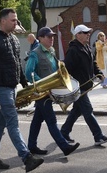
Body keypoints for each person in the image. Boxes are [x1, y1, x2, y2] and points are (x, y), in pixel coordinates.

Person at [0, 8, 43, 172]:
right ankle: (26, 157)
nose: (16, 23)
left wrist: (24, 83)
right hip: (0, 88)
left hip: (10, 87)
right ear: (3, 21)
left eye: (16, 20)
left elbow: (16, 64)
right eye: (13, 20)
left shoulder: (14, 39)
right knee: (12, 123)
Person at [25, 27, 80, 157]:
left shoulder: (51, 51)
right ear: (40, 38)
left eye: (53, 36)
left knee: (37, 120)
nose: (52, 39)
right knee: (51, 120)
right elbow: (29, 73)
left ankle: (31, 146)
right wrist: (43, 85)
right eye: (49, 37)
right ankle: (64, 146)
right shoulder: (35, 53)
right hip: (42, 93)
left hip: (50, 92)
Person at [60, 24, 107, 147]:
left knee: (77, 111)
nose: (88, 34)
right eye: (85, 32)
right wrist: (72, 86)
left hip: (85, 85)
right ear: (78, 35)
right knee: (88, 110)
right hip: (78, 86)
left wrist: (99, 73)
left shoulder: (87, 47)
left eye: (88, 32)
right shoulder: (73, 50)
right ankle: (98, 136)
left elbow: (94, 62)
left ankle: (63, 132)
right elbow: (67, 70)